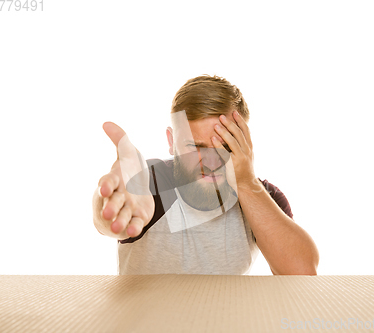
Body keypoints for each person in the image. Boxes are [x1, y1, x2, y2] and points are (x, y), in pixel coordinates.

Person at [92, 75, 319, 275]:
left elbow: (301, 273)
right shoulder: (151, 181)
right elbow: (107, 218)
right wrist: (110, 206)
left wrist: (247, 184)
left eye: (225, 146)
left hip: (224, 321)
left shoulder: (263, 195)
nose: (211, 162)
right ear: (172, 142)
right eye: (196, 147)